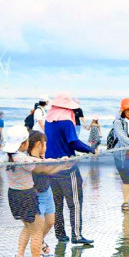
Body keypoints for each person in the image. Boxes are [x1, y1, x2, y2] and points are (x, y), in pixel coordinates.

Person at [5, 126, 66, 257]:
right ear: (23, 144)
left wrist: (55, 161)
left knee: (28, 227)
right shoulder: (22, 158)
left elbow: (34, 160)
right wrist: (60, 163)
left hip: (13, 195)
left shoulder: (8, 156)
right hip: (26, 196)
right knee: (37, 232)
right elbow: (40, 167)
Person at [44, 93, 96, 245]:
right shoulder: (66, 121)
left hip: (50, 167)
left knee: (56, 203)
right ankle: (77, 235)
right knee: (75, 203)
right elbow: (73, 142)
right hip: (67, 167)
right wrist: (90, 149)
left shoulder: (48, 120)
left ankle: (60, 234)